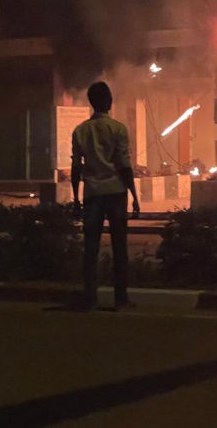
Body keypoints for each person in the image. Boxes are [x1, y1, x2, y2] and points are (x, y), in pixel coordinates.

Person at [71, 82, 140, 310]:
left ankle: (90, 297)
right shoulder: (118, 129)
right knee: (119, 247)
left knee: (91, 248)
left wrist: (76, 198)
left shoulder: (80, 131)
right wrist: (133, 194)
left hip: (92, 194)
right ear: (108, 101)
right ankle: (121, 299)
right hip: (115, 193)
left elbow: (76, 169)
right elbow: (124, 165)